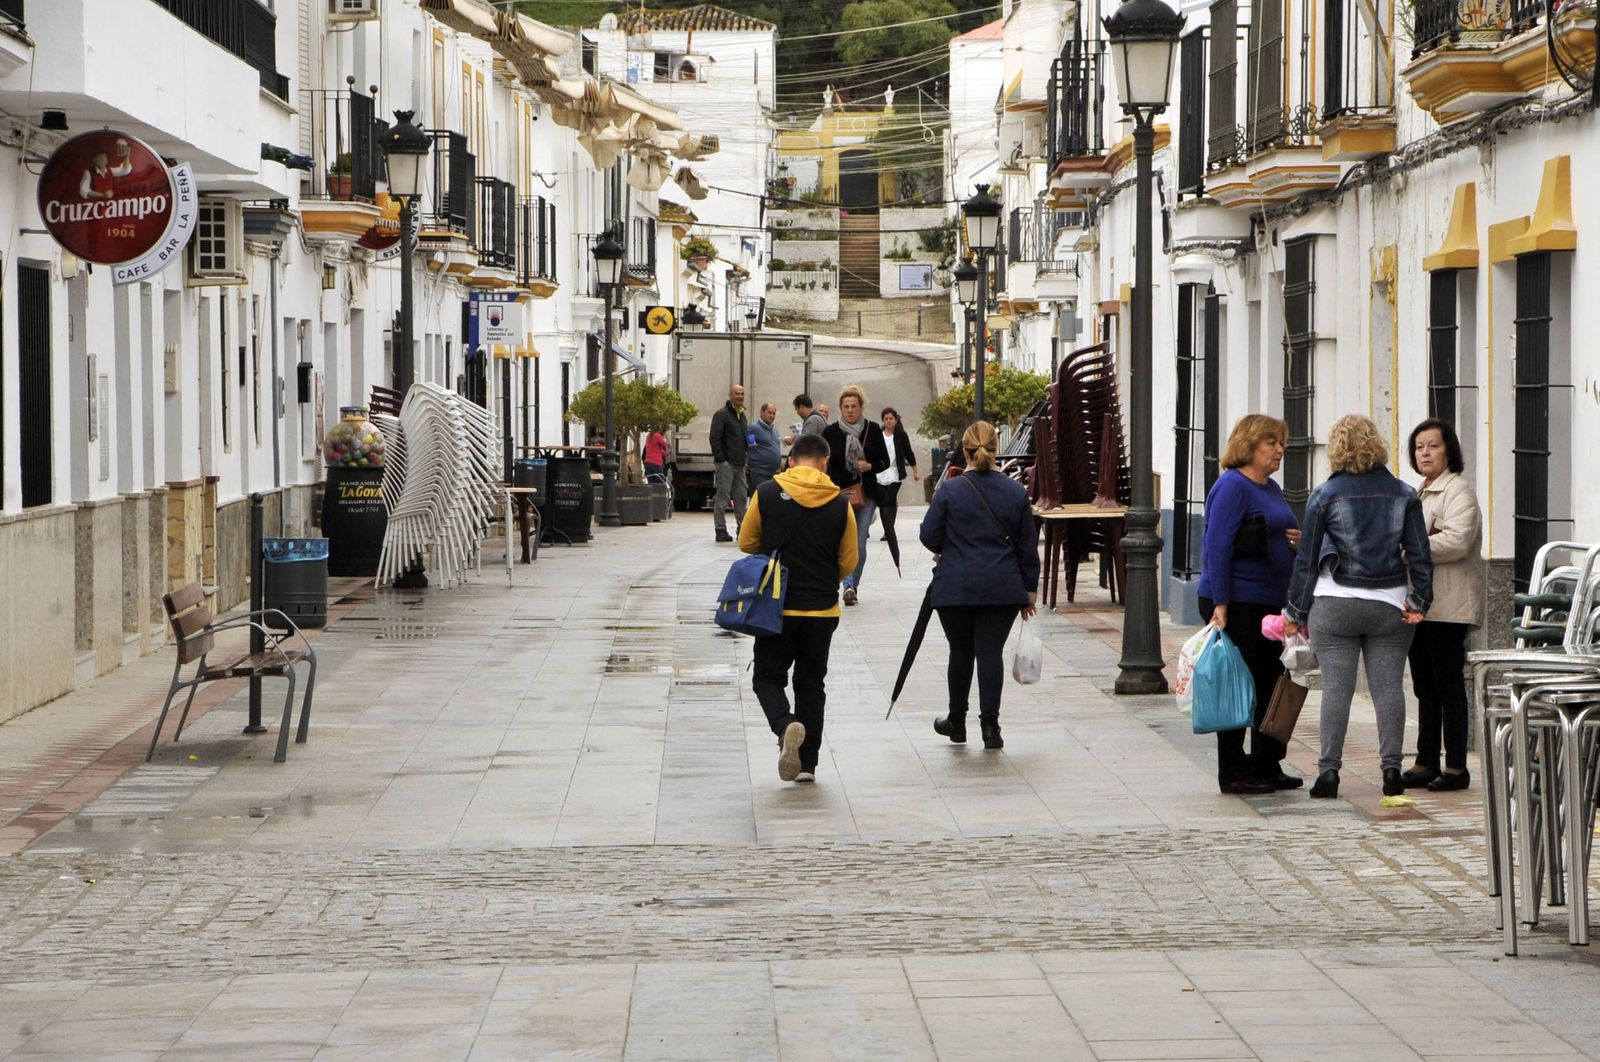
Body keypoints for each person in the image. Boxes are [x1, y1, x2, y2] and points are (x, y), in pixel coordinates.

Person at [1285, 414, 1433, 800]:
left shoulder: (1324, 495)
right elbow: (1421, 555)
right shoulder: (1404, 494)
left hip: (1334, 604)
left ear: (1336, 448)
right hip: (1390, 604)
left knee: (1336, 688)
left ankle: (1328, 774)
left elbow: (1307, 558)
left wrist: (1295, 613)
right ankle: (1390, 771)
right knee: (1388, 689)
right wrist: (1420, 602)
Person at [739, 434, 858, 783]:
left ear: (791, 460)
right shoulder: (839, 501)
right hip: (821, 610)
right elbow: (849, 559)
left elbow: (747, 542)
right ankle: (807, 764)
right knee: (811, 683)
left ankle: (785, 725)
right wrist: (825, 577)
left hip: (775, 608)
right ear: (825, 461)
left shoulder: (765, 492)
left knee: (767, 677)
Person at [1195, 415, 1303, 795]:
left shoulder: (1270, 487)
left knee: (1272, 683)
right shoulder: (1232, 486)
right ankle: (1234, 771)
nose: (1279, 450)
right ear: (1249, 444)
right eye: (1271, 443)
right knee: (1237, 685)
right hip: (1237, 601)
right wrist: (1220, 603)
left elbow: (1274, 530)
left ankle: (1267, 762)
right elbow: (1217, 547)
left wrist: (1293, 540)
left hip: (1270, 603)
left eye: (1281, 444)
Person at [919, 421, 1040, 750]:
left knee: (960, 652)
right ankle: (991, 727)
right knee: (990, 653)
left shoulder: (951, 490)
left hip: (954, 586)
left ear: (965, 450)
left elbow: (929, 535)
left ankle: (956, 721)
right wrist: (1029, 593)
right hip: (1001, 587)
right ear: (995, 448)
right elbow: (1028, 548)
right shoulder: (1015, 493)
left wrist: (952, 543)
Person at [1401, 418, 1483, 792]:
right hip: (1420, 604)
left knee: (1449, 685)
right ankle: (1425, 760)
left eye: (1433, 445)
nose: (1425, 453)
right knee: (1424, 685)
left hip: (1448, 605)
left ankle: (1455, 767)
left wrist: (1409, 548)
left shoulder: (1458, 491)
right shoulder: (1420, 492)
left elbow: (1457, 541)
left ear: (1448, 449)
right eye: (1419, 447)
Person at [822, 385, 889, 606]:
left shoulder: (872, 430)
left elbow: (884, 462)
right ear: (840, 408)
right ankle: (845, 582)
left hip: (865, 495)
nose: (850, 410)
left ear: (861, 407)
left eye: (854, 406)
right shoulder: (831, 432)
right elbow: (824, 463)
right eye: (846, 407)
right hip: (838, 495)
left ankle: (851, 585)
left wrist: (869, 466)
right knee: (841, 541)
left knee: (859, 543)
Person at [708, 384, 749, 543]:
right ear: (730, 395)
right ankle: (720, 530)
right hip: (726, 464)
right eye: (737, 394)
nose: (740, 396)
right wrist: (721, 459)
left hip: (739, 464)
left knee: (741, 498)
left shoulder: (742, 415)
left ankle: (742, 529)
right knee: (723, 498)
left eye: (742, 394)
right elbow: (714, 437)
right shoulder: (722, 414)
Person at [875, 406, 920, 545]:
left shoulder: (901, 434)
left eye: (891, 418)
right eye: (886, 419)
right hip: (880, 472)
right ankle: (887, 530)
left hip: (895, 472)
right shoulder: (878, 434)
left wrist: (915, 470)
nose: (888, 421)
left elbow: (909, 452)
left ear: (895, 420)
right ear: (883, 420)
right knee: (882, 501)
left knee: (891, 499)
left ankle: (889, 530)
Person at [748, 402, 782, 492]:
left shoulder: (774, 430)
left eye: (774, 413)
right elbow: (748, 445)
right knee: (759, 500)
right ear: (761, 412)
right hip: (759, 473)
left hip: (773, 474)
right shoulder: (754, 428)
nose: (772, 415)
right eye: (769, 412)